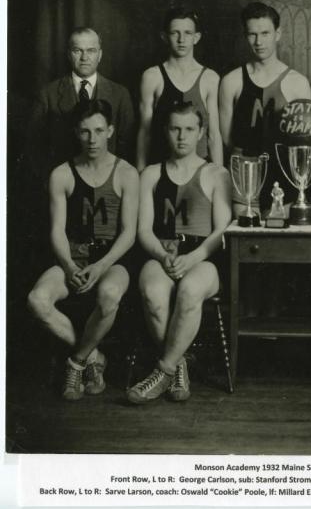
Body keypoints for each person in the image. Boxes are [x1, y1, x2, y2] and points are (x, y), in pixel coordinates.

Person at [27, 99, 139, 400]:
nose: (93, 139)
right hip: (72, 259)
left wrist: (100, 267)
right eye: (86, 132)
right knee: (37, 300)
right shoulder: (61, 174)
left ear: (111, 131)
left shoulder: (126, 173)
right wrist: (70, 267)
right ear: (76, 133)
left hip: (111, 261)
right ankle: (94, 358)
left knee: (110, 295)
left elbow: (128, 234)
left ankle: (76, 362)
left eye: (99, 131)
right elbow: (56, 231)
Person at [128, 102, 231, 404]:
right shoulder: (150, 174)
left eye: (189, 129)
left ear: (201, 133)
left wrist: (194, 257)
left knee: (188, 291)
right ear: (165, 131)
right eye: (175, 129)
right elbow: (143, 230)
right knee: (152, 294)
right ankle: (179, 365)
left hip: (203, 258)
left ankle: (163, 370)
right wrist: (163, 256)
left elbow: (222, 230)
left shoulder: (216, 173)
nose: (182, 136)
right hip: (162, 253)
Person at [219, 1, 311, 215]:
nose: (259, 41)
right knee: (244, 238)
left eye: (265, 33)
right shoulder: (231, 81)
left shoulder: (298, 82)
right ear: (245, 36)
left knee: (280, 239)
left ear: (278, 34)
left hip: (283, 170)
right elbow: (226, 137)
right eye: (252, 34)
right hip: (244, 167)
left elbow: (306, 140)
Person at [28, 27, 136, 184]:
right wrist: (52, 181)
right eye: (77, 50)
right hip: (64, 186)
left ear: (100, 55)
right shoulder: (48, 95)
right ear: (68, 54)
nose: (84, 57)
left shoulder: (120, 94)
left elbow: (127, 145)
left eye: (91, 51)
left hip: (108, 184)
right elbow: (34, 147)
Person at [137, 7, 222, 169]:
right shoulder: (152, 76)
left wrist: (219, 176)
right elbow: (144, 133)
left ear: (196, 37)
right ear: (164, 36)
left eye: (188, 33)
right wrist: (140, 173)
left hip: (200, 170)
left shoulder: (210, 78)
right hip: (162, 167)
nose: (181, 39)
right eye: (175, 33)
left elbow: (214, 135)